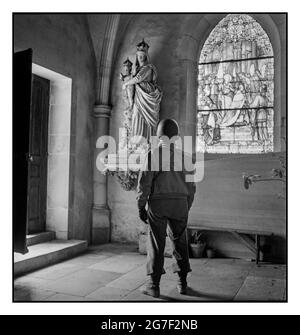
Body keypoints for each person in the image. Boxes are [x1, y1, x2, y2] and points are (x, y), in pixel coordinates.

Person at [136, 119, 196, 298]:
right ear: (176, 137)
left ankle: (153, 285)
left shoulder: (152, 154)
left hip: (158, 204)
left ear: (159, 135)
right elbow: (192, 188)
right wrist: (187, 205)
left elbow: (144, 183)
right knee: (180, 242)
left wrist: (141, 205)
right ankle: (182, 283)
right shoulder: (186, 157)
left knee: (156, 243)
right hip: (180, 203)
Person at [122, 39, 162, 147]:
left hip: (147, 95)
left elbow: (138, 79)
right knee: (135, 115)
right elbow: (134, 78)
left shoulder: (148, 68)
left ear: (145, 56)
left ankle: (147, 142)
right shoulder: (138, 69)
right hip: (139, 97)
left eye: (142, 56)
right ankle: (136, 142)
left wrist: (126, 84)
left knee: (147, 120)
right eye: (138, 56)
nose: (140, 58)